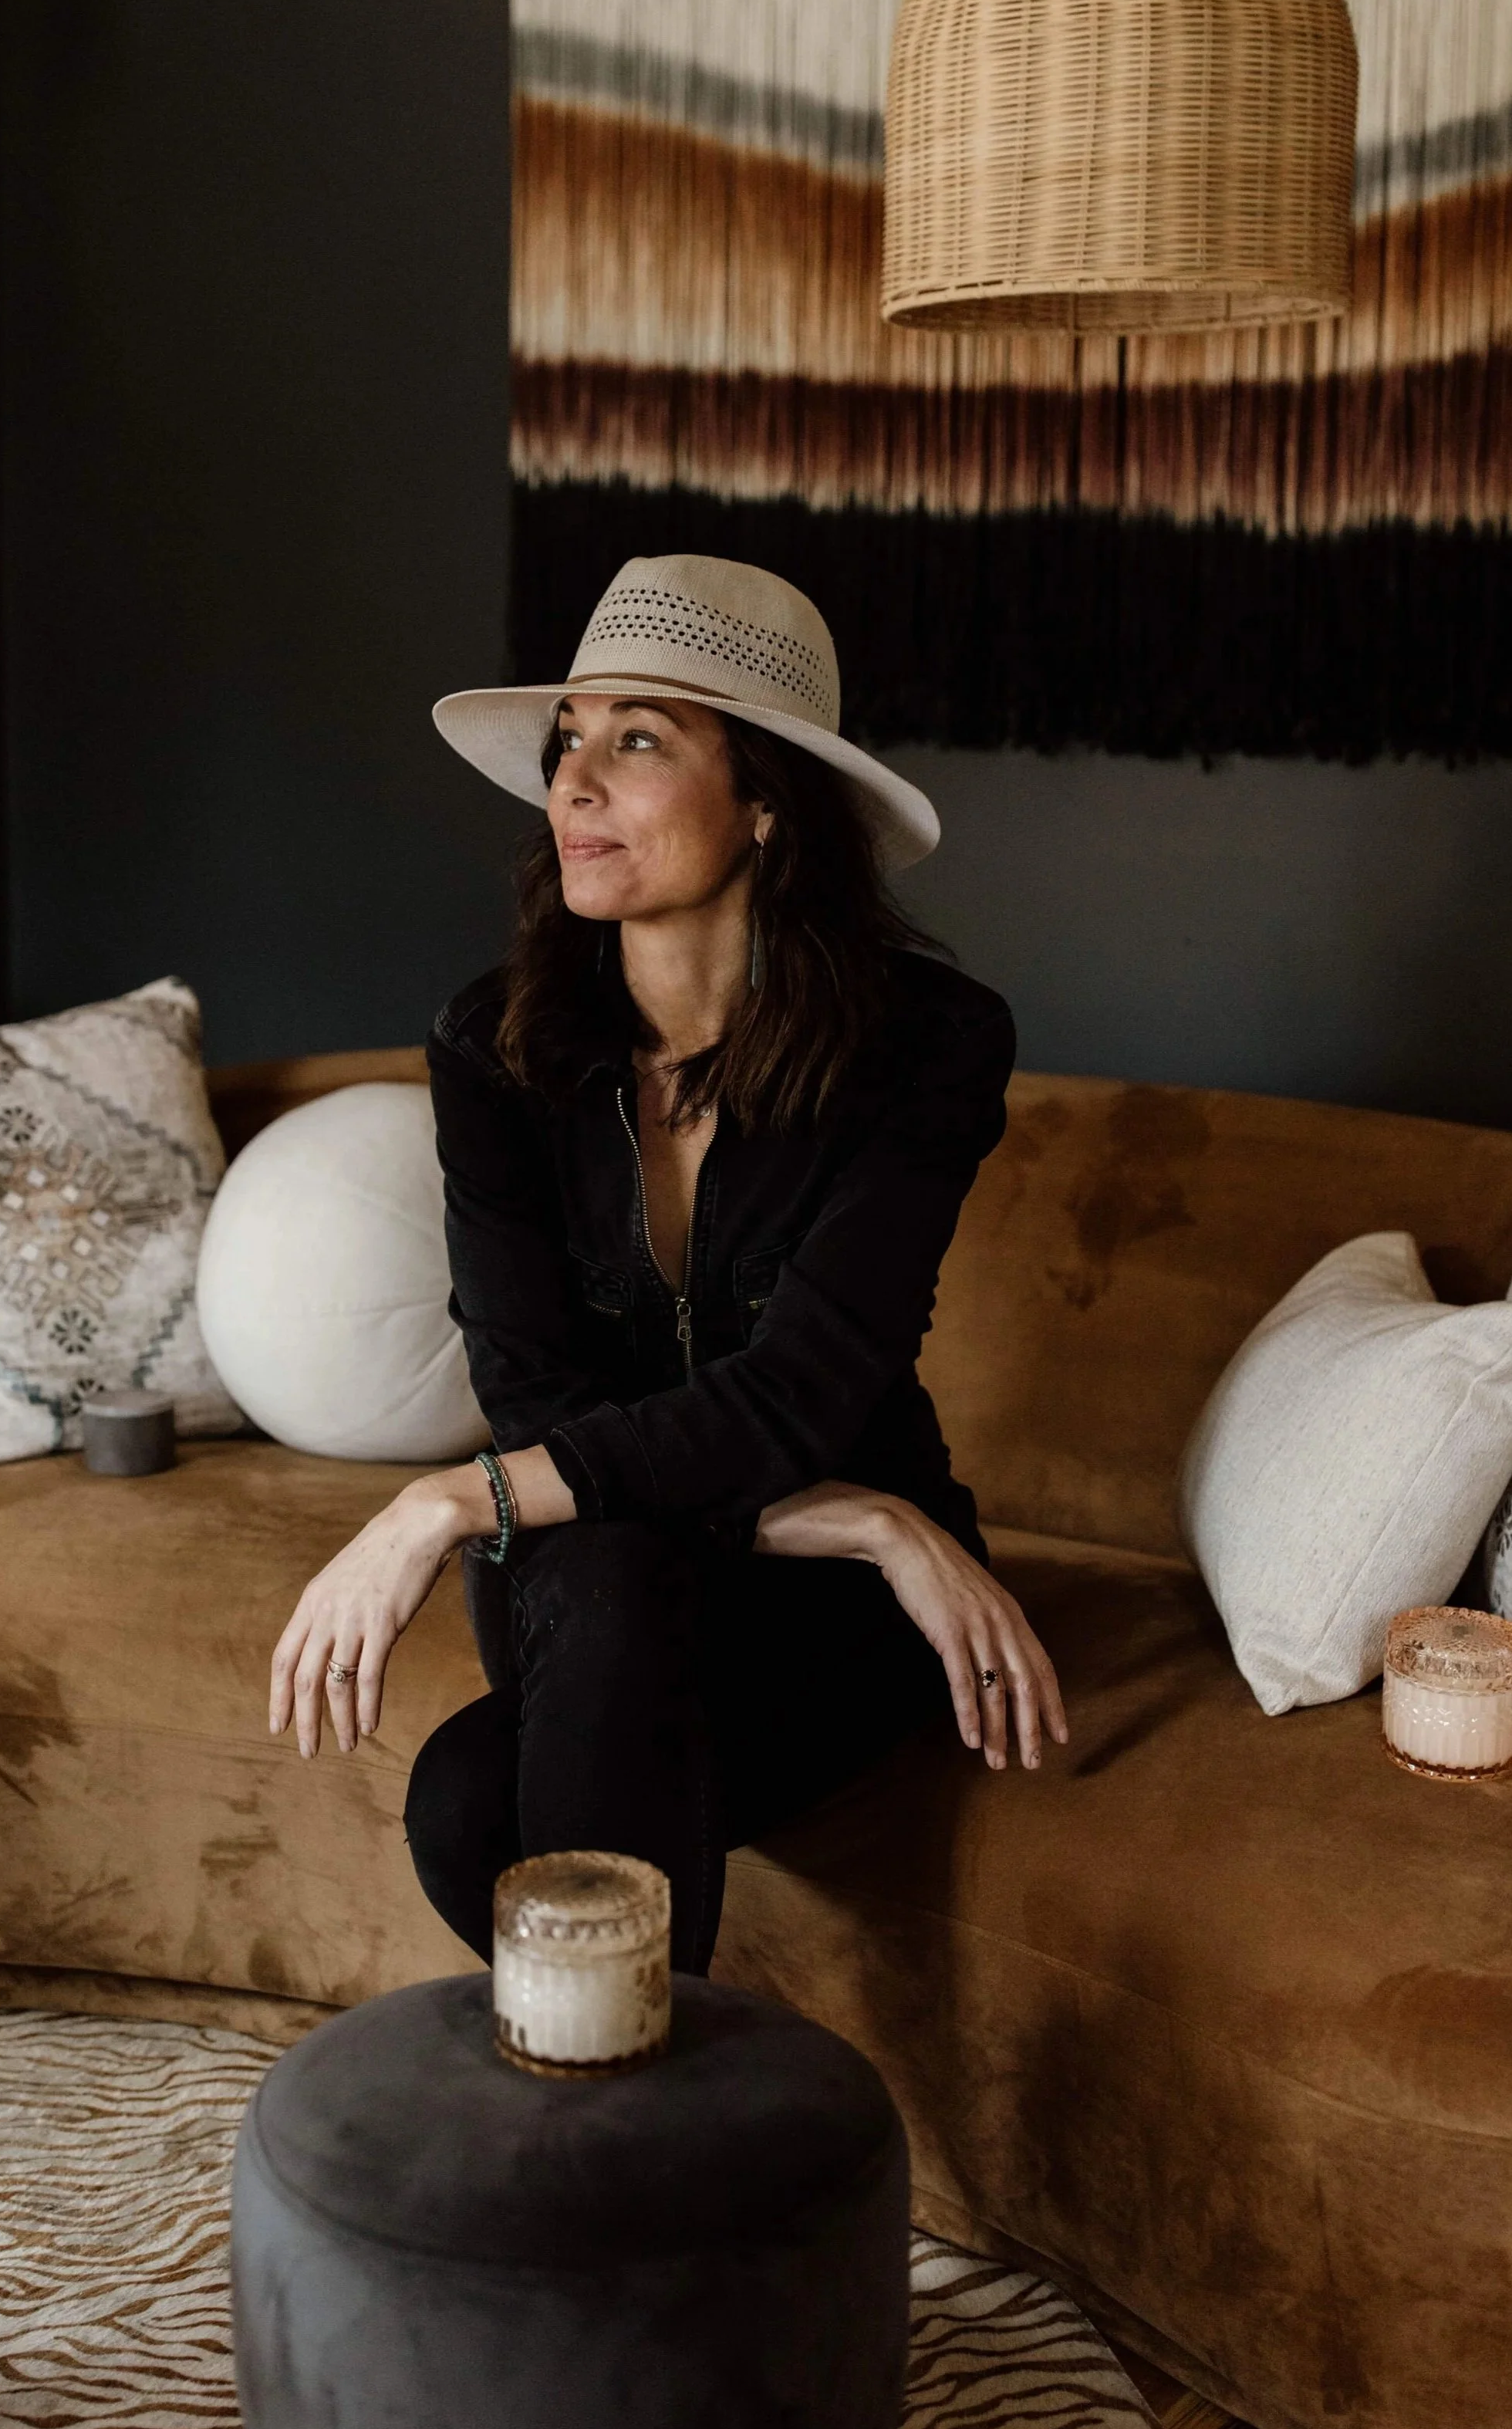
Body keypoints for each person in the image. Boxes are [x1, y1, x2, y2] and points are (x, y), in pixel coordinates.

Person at [268, 554, 1066, 1972]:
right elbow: (532, 1398)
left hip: (825, 1626)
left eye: (639, 739)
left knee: (469, 1800)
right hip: (619, 1570)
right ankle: (659, 2157)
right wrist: (867, 1520)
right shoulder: (491, 1048)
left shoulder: (927, 1048)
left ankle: (609, 2140)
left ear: (766, 800)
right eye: (569, 737)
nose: (572, 781)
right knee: (616, 1575)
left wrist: (447, 1505)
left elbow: (806, 1388)